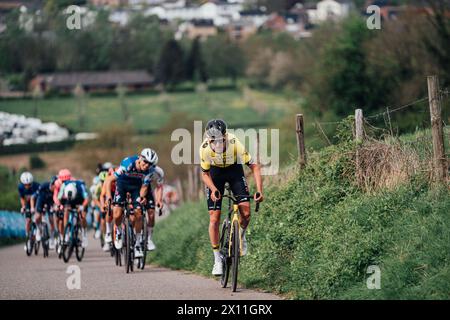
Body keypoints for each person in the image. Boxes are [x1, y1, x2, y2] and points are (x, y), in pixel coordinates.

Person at [199, 119, 263, 276]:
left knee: (246, 213)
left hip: (234, 171)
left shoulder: (235, 143)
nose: (216, 143)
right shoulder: (205, 149)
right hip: (215, 175)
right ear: (209, 138)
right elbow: (205, 174)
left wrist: (260, 191)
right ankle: (217, 260)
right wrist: (213, 189)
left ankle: (240, 235)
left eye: (219, 140)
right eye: (213, 140)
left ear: (225, 136)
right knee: (214, 218)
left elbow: (254, 166)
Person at [105, 148, 163, 258]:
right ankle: (117, 230)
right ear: (140, 158)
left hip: (136, 187)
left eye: (150, 164)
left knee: (139, 213)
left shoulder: (149, 171)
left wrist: (141, 198)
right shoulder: (127, 164)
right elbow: (109, 180)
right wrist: (108, 196)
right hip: (122, 184)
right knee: (117, 213)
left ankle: (137, 244)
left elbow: (144, 188)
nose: (146, 165)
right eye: (145, 162)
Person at [58, 180, 90, 248]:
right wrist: (60, 206)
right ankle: (66, 233)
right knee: (66, 211)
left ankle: (84, 234)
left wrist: (82, 206)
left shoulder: (80, 186)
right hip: (69, 200)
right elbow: (59, 197)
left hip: (80, 200)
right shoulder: (64, 185)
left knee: (82, 216)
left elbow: (87, 199)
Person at [30, 176, 58, 249]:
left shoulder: (57, 190)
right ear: (51, 184)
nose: (55, 189)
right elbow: (33, 197)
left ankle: (52, 238)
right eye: (54, 187)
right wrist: (32, 208)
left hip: (50, 203)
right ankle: (39, 230)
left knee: (51, 220)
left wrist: (56, 207)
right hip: (41, 200)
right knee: (37, 217)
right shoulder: (43, 186)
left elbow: (57, 201)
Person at [18, 172, 40, 245]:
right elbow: (22, 198)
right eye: (25, 185)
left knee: (37, 218)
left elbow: (40, 197)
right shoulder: (20, 187)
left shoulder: (37, 186)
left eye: (29, 184)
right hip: (28, 204)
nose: (27, 186)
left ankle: (38, 231)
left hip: (37, 203)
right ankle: (27, 237)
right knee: (28, 220)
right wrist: (23, 207)